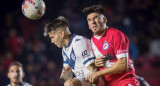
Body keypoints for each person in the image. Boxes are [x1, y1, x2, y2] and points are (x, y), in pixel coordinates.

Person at [82, 5, 140, 86]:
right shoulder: (91, 41)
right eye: (89, 20)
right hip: (107, 83)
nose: (93, 22)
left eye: (95, 18)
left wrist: (98, 73)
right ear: (88, 25)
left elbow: (123, 65)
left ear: (104, 20)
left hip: (124, 80)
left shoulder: (116, 34)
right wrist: (95, 63)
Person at [44, 16, 104, 86]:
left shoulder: (78, 43)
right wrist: (67, 75)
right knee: (68, 83)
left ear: (62, 34)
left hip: (95, 80)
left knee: (69, 84)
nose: (52, 41)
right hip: (84, 80)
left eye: (52, 37)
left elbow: (94, 70)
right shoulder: (65, 49)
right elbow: (68, 78)